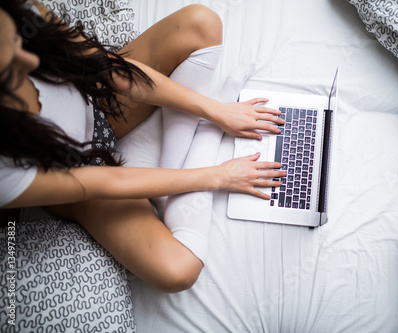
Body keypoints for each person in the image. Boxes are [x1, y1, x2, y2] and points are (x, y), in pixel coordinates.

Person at [0, 0, 287, 293]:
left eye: (17, 43)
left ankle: (181, 157)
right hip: (76, 170)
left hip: (95, 97)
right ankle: (199, 142)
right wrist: (218, 175)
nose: (31, 63)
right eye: (9, 72)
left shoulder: (16, 13)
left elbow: (106, 67)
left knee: (202, 22)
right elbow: (105, 182)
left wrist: (214, 110)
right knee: (178, 270)